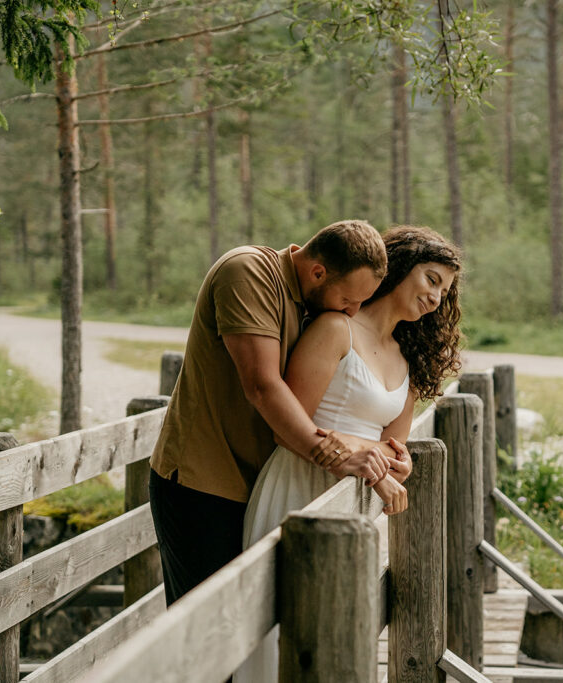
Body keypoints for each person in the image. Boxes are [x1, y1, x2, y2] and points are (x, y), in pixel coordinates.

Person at [235, 225, 463, 683]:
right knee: (282, 632)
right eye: (431, 280)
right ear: (398, 269)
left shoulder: (407, 358)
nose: (437, 298)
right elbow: (290, 424)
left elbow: (396, 448)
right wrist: (367, 452)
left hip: (357, 501)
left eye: (446, 291)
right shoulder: (335, 328)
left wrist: (398, 464)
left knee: (337, 632)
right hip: (299, 485)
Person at [148, 220, 413, 607]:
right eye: (349, 300)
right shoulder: (248, 272)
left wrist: (381, 456)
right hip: (202, 482)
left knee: (249, 626)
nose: (353, 311)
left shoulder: (312, 302)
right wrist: (339, 457)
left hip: (256, 484)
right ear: (318, 272)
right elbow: (262, 385)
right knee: (207, 635)